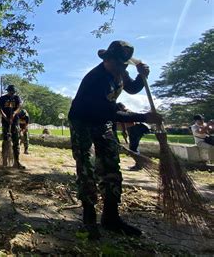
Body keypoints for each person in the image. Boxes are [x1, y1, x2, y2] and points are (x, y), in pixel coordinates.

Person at [68, 41, 162, 240]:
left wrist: (141, 76)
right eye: (118, 64)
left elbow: (133, 89)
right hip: (82, 121)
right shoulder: (96, 79)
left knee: (111, 164)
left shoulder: (121, 72)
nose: (122, 68)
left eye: (125, 65)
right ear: (107, 59)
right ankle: (89, 217)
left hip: (104, 122)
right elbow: (111, 112)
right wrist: (143, 117)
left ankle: (111, 217)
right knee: (86, 165)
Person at [117, 103, 151, 171]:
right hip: (135, 129)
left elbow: (129, 123)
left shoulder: (127, 112)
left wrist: (126, 131)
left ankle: (140, 164)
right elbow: (123, 122)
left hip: (136, 129)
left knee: (133, 148)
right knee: (133, 147)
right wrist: (124, 131)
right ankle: (139, 163)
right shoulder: (125, 112)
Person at [0, 85, 25, 169]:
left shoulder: (17, 98)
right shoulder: (2, 98)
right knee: (6, 140)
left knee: (16, 142)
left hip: (15, 122)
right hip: (5, 122)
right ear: (8, 91)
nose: (12, 93)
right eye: (10, 92)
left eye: (13, 92)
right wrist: (5, 117)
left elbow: (19, 107)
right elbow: (0, 109)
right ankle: (4, 161)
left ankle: (16, 162)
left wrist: (14, 113)